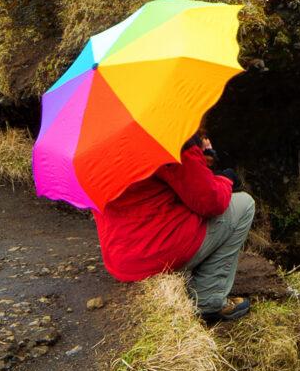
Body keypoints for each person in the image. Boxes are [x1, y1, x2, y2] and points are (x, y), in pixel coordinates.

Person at [94, 126, 255, 323]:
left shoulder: (97, 142)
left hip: (121, 259)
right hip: (156, 254)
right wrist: (225, 178)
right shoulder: (168, 137)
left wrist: (199, 162)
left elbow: (152, 186)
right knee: (244, 204)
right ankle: (209, 300)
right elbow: (210, 202)